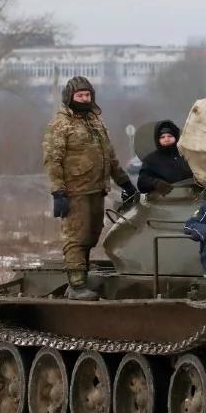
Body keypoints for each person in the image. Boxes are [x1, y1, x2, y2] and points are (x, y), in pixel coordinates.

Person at [42, 76, 138, 300]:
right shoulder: (61, 123)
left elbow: (110, 157)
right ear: (70, 97)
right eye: (80, 96)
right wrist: (58, 192)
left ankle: (80, 278)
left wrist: (124, 182)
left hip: (96, 188)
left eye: (88, 95)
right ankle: (76, 285)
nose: (84, 99)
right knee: (76, 237)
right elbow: (52, 160)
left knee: (91, 236)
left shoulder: (95, 121)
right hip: (74, 190)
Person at [137, 120, 193, 194]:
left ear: (176, 137)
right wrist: (155, 183)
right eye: (162, 137)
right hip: (164, 200)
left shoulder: (187, 155)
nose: (166, 139)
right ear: (158, 140)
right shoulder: (151, 160)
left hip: (193, 197)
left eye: (170, 136)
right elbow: (142, 182)